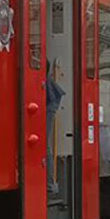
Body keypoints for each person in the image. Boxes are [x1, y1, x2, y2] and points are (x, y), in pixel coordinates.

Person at [46, 60, 65, 196]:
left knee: (44, 145)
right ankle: (50, 183)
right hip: (50, 105)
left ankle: (50, 184)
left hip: (49, 106)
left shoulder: (47, 83)